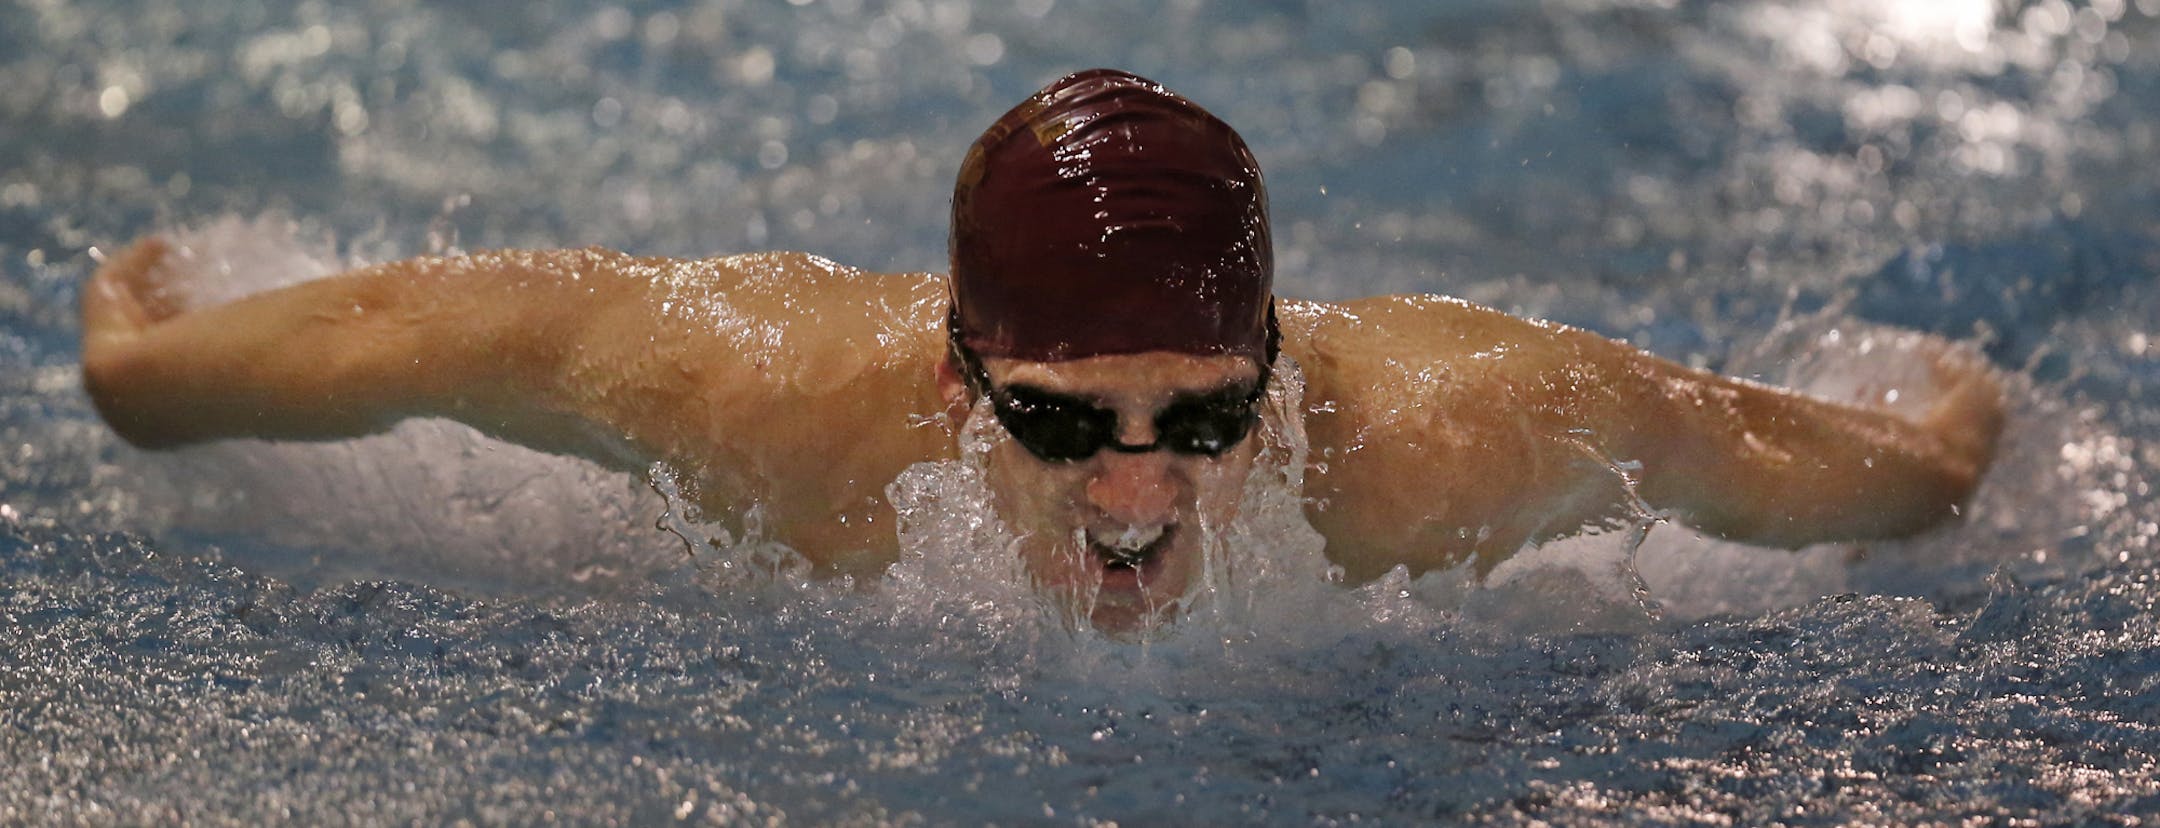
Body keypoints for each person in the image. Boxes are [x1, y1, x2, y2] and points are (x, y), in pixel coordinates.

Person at [79, 69, 2004, 635]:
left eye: (1208, 415)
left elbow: (1743, 448)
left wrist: (1948, 440)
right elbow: (439, 327)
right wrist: (142, 373)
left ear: (1279, 371)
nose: (1143, 493)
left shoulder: (1450, 440)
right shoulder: (777, 408)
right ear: (952, 378)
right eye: (1066, 422)